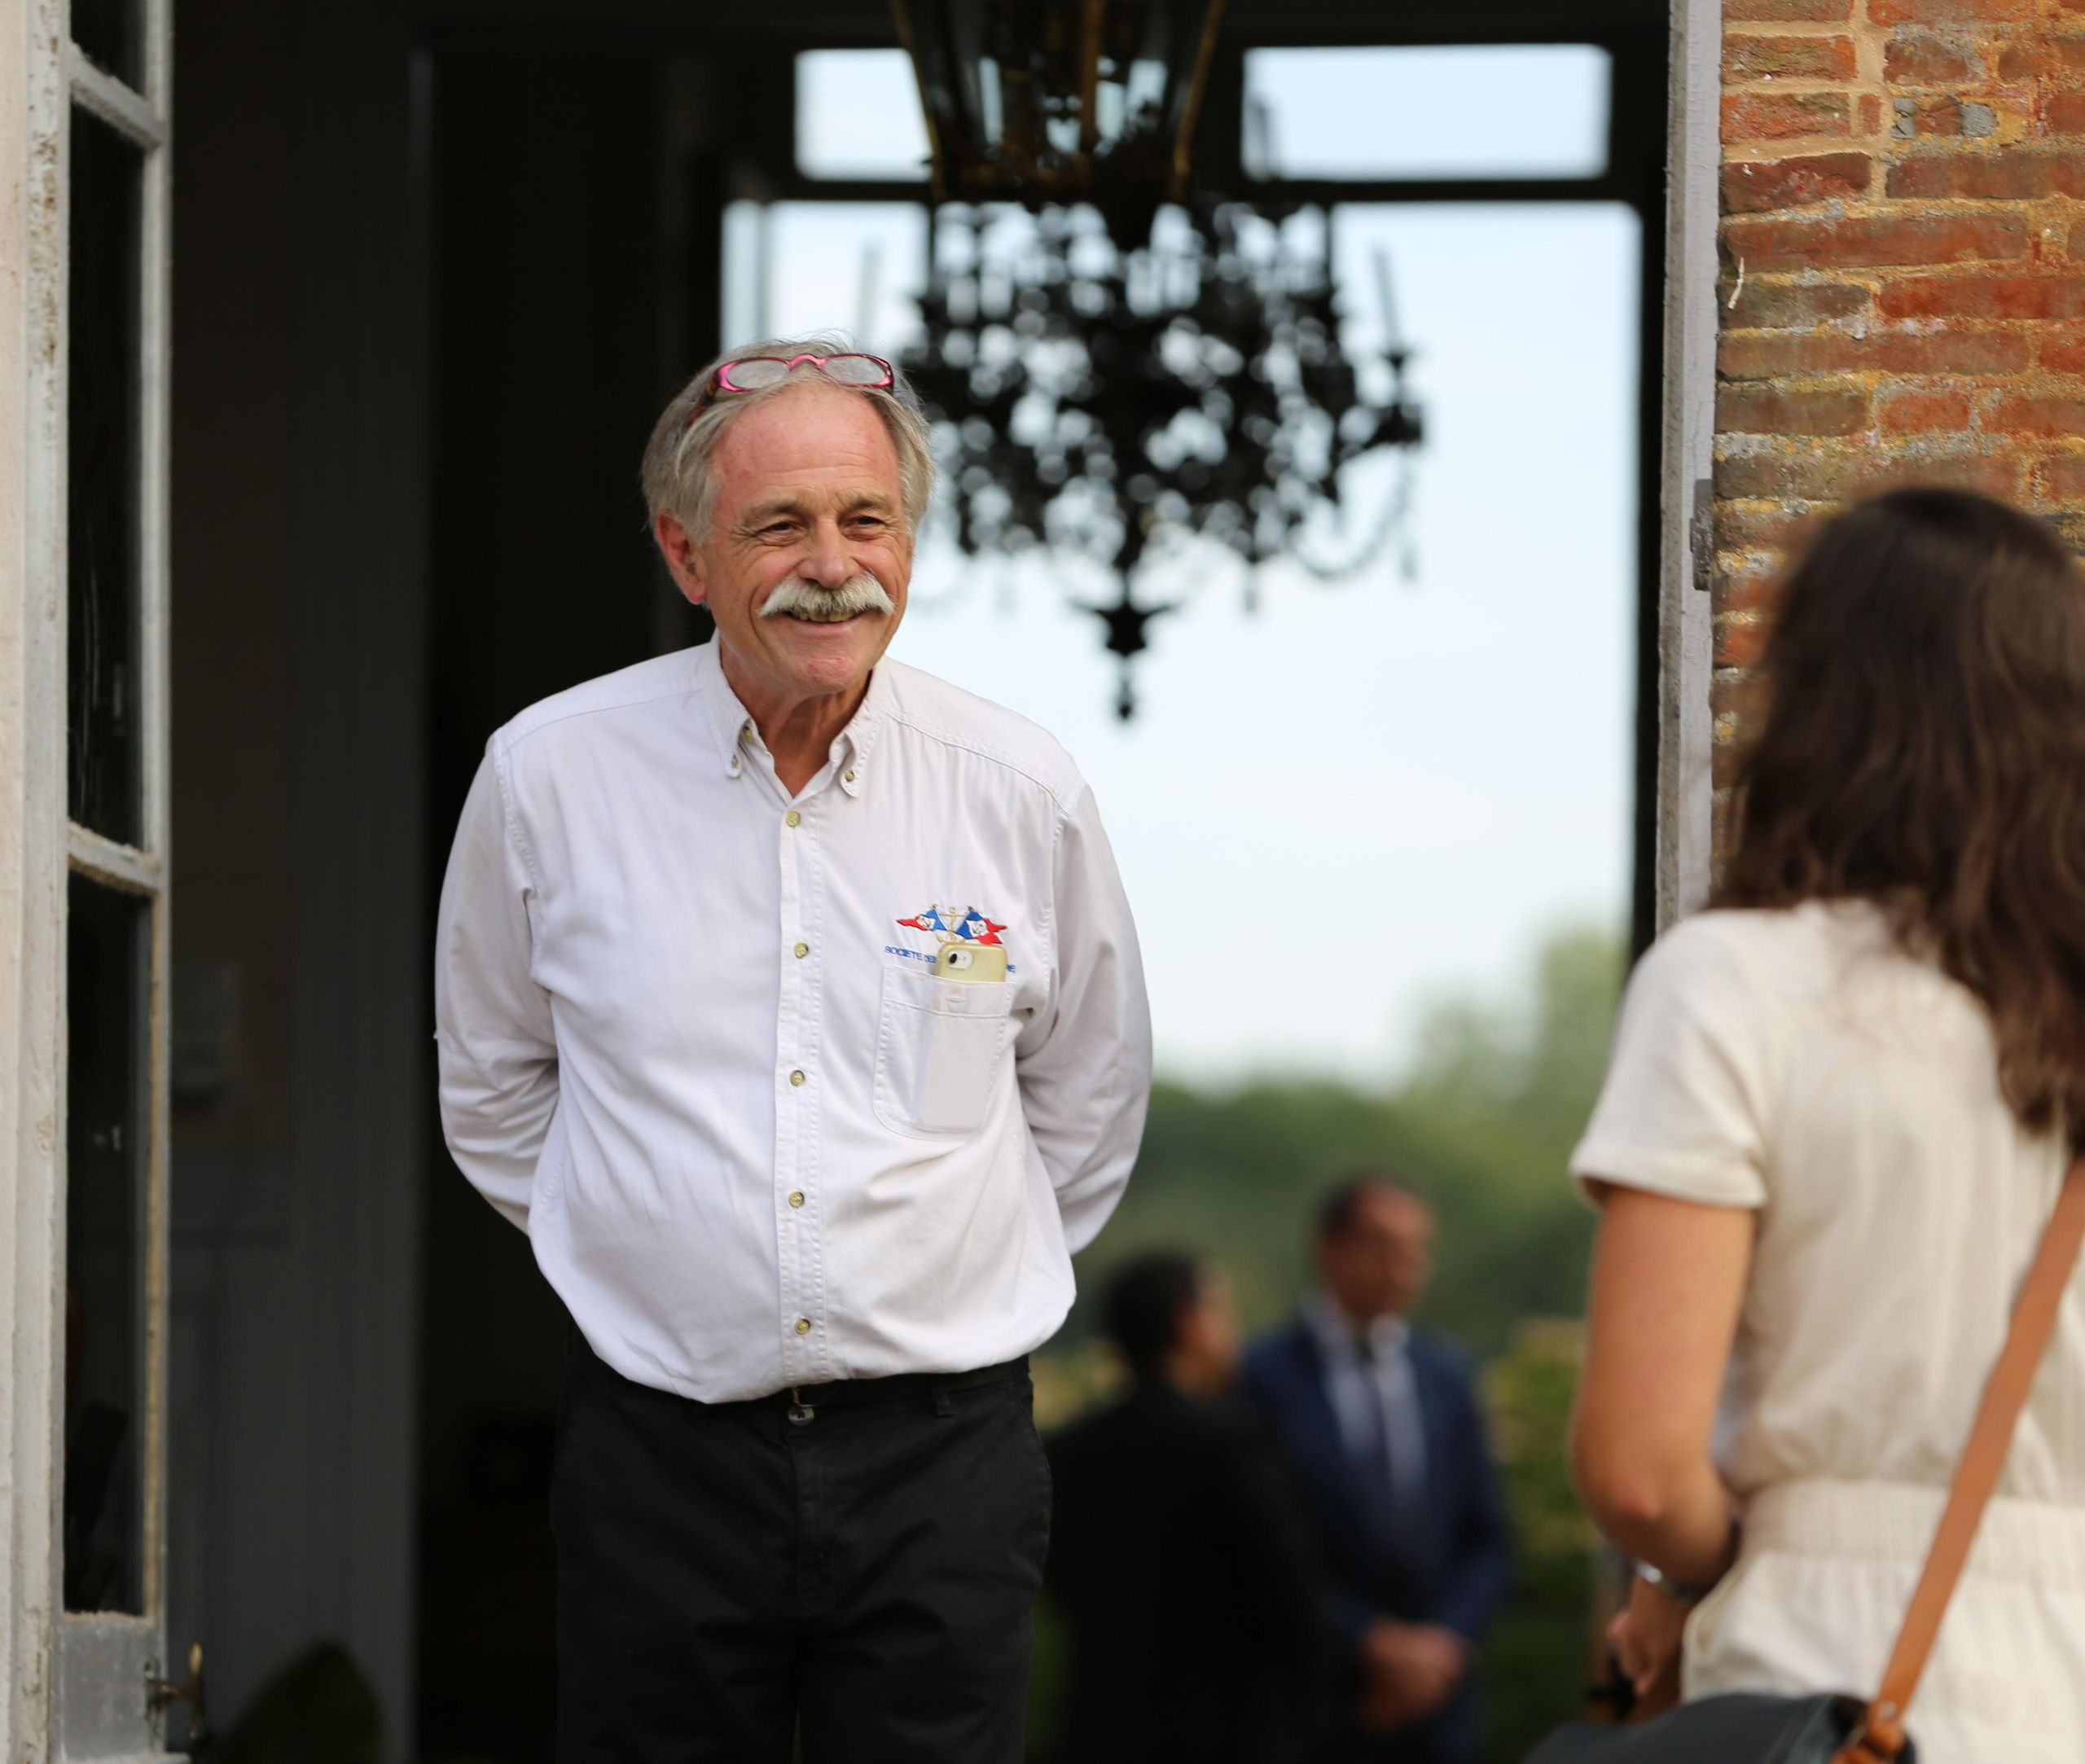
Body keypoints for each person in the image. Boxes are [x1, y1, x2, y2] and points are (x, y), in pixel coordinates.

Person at [432, 336, 1152, 1762]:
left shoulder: (1020, 790)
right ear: (685, 552)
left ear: (910, 540)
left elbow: (1090, 1088)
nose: (833, 565)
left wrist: (937, 1261)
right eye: (780, 526)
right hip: (660, 1450)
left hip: (944, 1458)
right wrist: (649, 1247)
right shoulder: (548, 774)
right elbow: (493, 1079)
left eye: (866, 519)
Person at [1569, 488, 2085, 1762]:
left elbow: (1640, 1468)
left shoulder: (1737, 985)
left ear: (1817, 703)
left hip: (1825, 1669)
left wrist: (1695, 1570)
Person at [1245, 1178, 1512, 1762]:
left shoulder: (1448, 1376)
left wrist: (1440, 1648)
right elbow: (1253, 1550)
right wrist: (1369, 1644)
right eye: (1384, 1247)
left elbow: (1487, 1536)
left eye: (1418, 1250)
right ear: (1330, 1248)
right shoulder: (1262, 1380)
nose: (1404, 1269)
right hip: (1317, 1708)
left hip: (1438, 1712)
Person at [1045, 1253, 1326, 1764]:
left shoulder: (1069, 1452)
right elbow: (1291, 1595)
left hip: (1102, 1727)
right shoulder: (1234, 1444)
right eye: (1222, 1310)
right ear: (1188, 1324)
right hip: (1226, 1730)